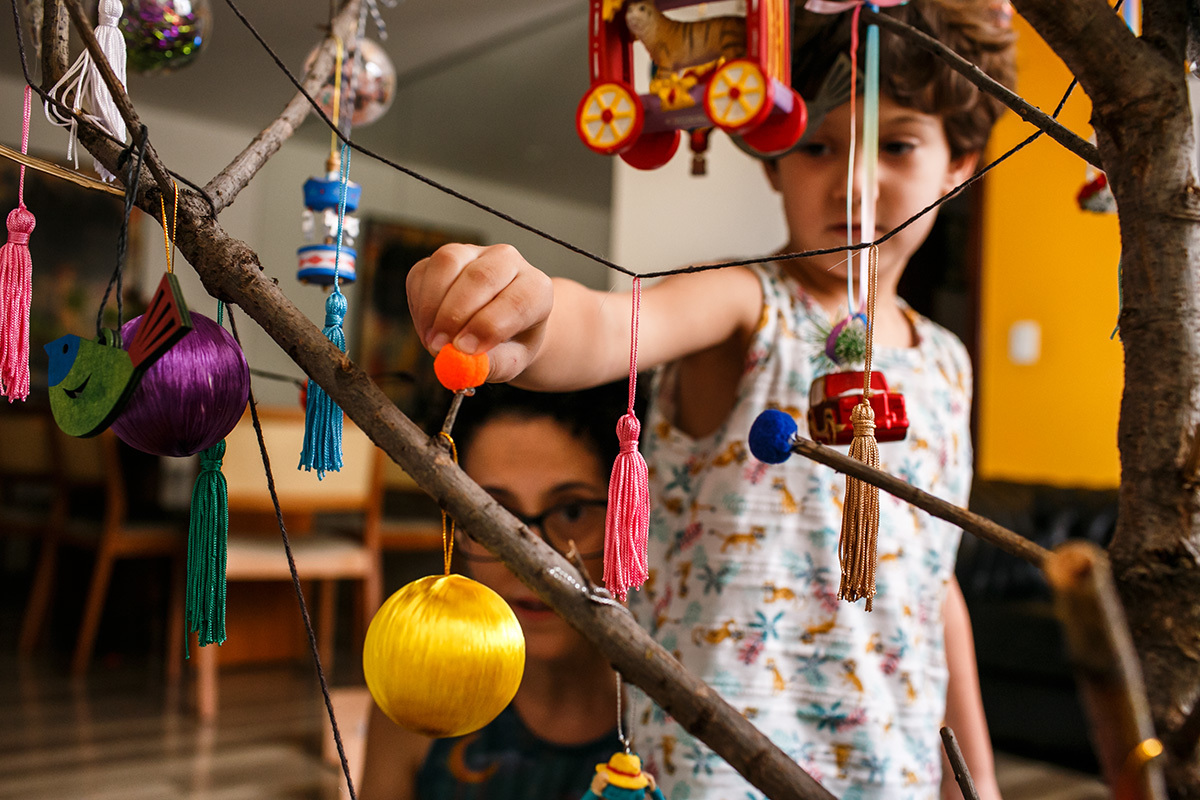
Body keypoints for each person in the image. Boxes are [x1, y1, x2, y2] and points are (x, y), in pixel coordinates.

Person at [404, 2, 1015, 798]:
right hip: (717, 765)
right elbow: (611, 324)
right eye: (817, 145)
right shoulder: (744, 304)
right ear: (771, 160)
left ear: (959, 163)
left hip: (887, 764)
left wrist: (978, 779)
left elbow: (936, 587)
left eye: (897, 145)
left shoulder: (949, 363)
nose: (856, 179)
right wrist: (529, 314)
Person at [361, 381, 635, 800]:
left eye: (572, 511)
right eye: (493, 517)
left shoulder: (674, 732)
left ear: (630, 516)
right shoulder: (418, 703)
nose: (532, 562)